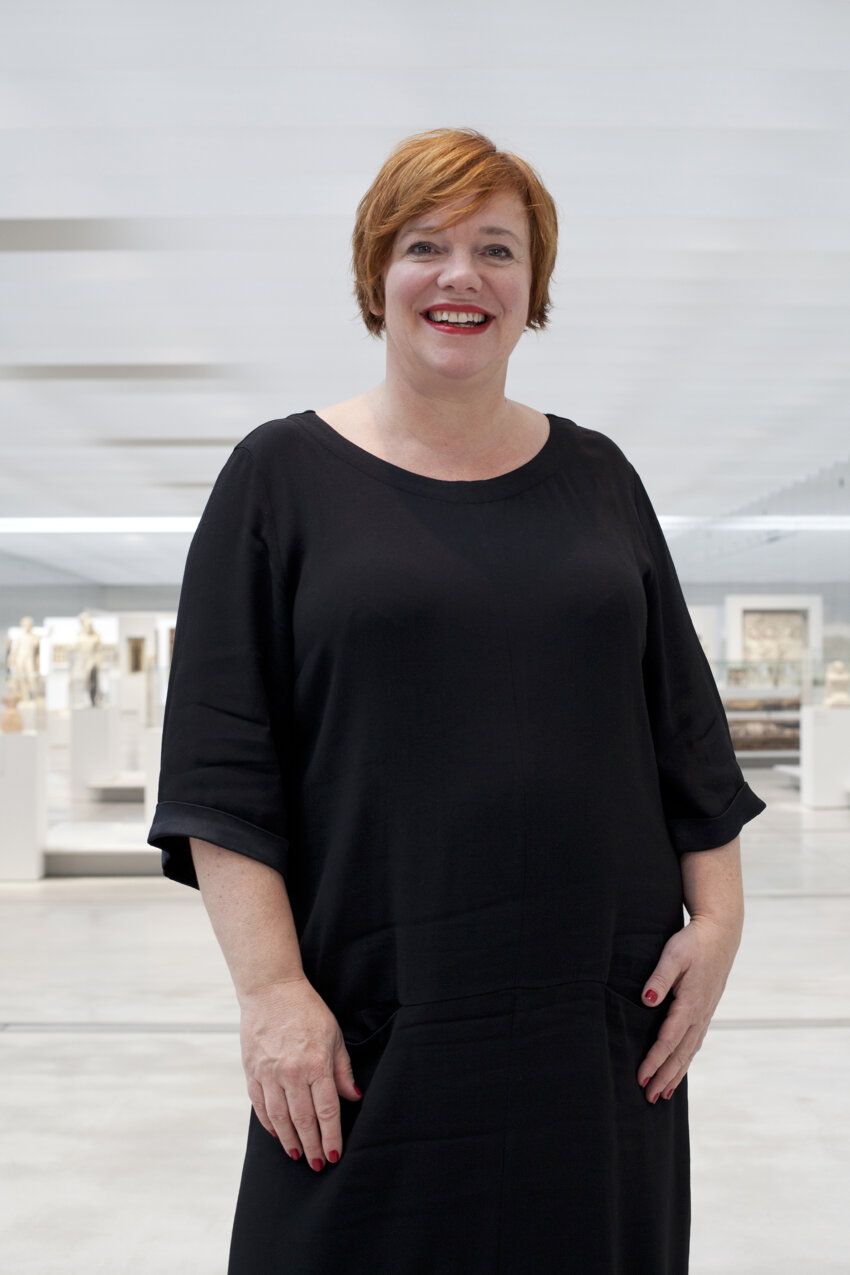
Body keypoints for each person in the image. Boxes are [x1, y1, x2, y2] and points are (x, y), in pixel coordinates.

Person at [148, 127, 765, 1274]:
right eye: (424, 244)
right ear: (375, 275)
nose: (460, 275)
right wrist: (272, 990)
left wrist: (720, 922)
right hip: (374, 1020)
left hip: (595, 1026)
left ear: (532, 289)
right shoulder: (277, 481)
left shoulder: (598, 478)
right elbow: (220, 766)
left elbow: (683, 726)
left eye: (497, 248)